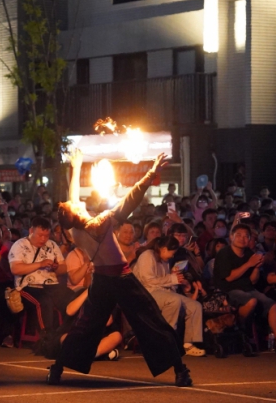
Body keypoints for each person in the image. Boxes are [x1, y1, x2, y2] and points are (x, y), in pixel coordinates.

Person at [52, 151, 193, 387]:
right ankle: (180, 370)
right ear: (76, 213)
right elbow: (130, 199)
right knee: (152, 321)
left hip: (101, 280)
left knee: (85, 327)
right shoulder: (100, 224)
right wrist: (151, 173)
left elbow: (72, 198)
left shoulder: (75, 230)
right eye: (74, 205)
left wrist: (76, 167)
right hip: (121, 278)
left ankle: (57, 369)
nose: (76, 201)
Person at [213, 224, 276, 355]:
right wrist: (249, 264)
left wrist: (256, 267)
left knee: (272, 304)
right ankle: (238, 326)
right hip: (228, 290)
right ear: (231, 237)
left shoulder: (249, 253)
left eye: (246, 236)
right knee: (252, 301)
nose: (242, 238)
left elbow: (253, 281)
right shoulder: (224, 253)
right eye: (239, 235)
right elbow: (229, 277)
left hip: (248, 289)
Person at [133, 236, 205, 357]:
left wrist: (177, 281)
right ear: (164, 249)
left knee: (195, 306)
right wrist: (172, 278)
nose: (172, 256)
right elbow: (148, 281)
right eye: (172, 252)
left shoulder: (164, 260)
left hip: (162, 292)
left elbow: (167, 283)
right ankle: (166, 342)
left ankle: (188, 344)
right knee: (174, 300)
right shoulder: (147, 256)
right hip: (146, 293)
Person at [8, 216, 72, 332]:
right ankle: (46, 335)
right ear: (31, 231)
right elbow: (15, 269)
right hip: (27, 287)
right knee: (43, 301)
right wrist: (40, 264)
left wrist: (56, 267)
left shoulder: (52, 245)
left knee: (70, 297)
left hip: (51, 285)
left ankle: (68, 331)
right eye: (40, 235)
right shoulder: (19, 245)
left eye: (46, 236)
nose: (43, 239)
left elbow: (63, 268)